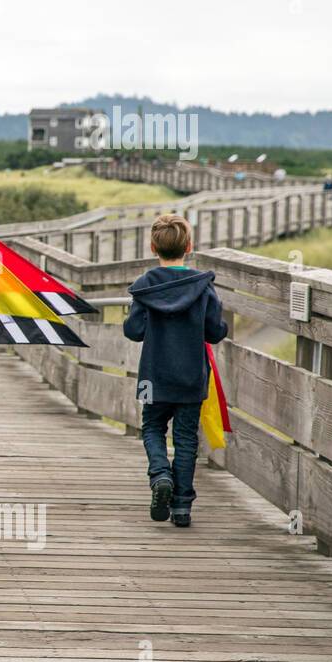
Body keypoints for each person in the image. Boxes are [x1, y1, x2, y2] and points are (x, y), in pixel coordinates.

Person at [123, 214, 229, 527]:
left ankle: (159, 476)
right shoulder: (202, 286)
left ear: (153, 246)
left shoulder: (144, 287)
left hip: (152, 377)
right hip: (192, 376)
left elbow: (133, 331)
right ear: (190, 246)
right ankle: (182, 508)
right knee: (185, 438)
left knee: (152, 427)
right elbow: (215, 331)